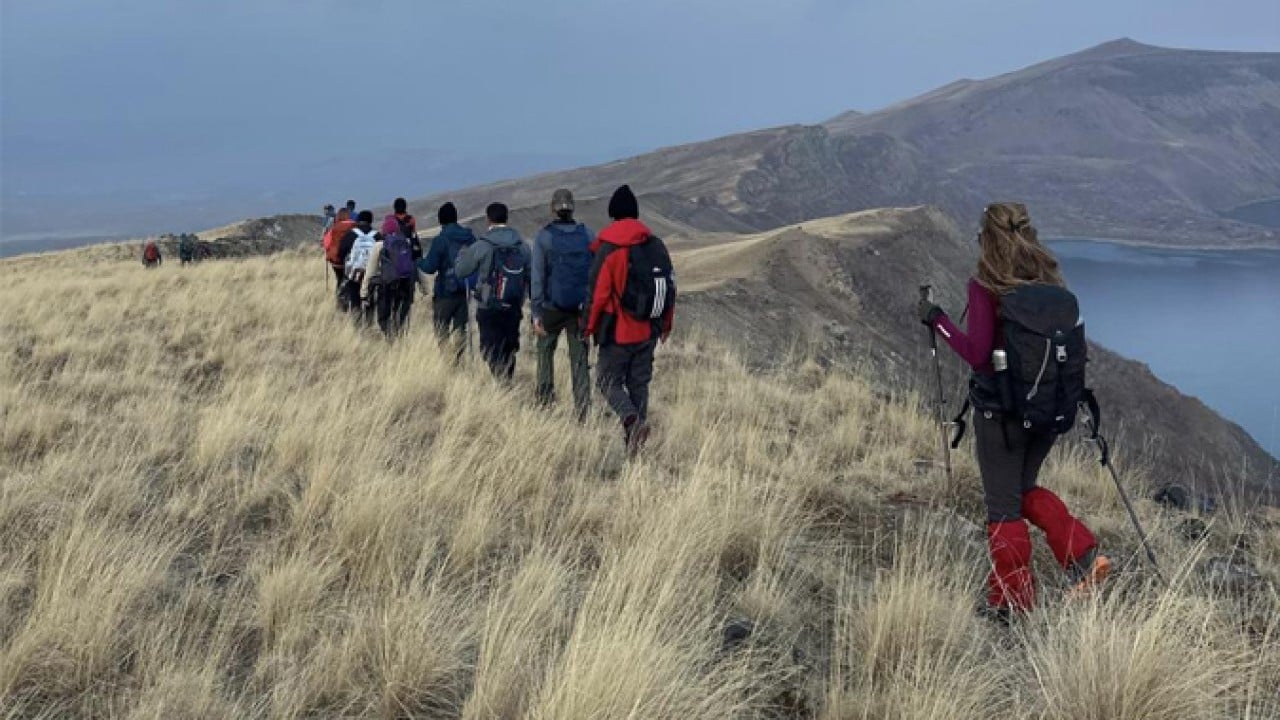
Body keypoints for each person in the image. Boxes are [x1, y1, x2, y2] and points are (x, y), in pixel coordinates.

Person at [918, 202, 1111, 621]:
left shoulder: (988, 286)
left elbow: (977, 353)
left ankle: (1011, 604)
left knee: (1003, 507)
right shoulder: (1053, 284)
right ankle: (1083, 554)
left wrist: (938, 321)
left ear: (987, 239)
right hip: (1048, 412)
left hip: (1001, 415)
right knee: (1022, 491)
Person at [585, 185, 675, 456]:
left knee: (606, 381)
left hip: (618, 333)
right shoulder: (655, 244)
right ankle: (635, 449)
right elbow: (669, 287)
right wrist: (666, 324)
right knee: (639, 385)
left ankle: (631, 421)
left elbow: (598, 295)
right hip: (648, 330)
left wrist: (588, 328)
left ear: (613, 215)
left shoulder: (609, 249)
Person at [531, 189, 595, 418]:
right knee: (579, 358)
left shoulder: (544, 237)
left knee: (545, 351)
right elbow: (594, 273)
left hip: (551, 307)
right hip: (579, 309)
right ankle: (583, 410)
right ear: (572, 207)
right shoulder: (588, 235)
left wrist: (536, 312)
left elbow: (537, 277)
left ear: (553, 208)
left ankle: (544, 403)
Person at [455, 202, 530, 380]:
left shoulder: (483, 245)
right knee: (509, 347)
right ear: (507, 218)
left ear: (488, 219)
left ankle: (499, 382)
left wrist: (462, 256)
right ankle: (506, 381)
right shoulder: (522, 245)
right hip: (513, 304)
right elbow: (531, 274)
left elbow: (461, 271)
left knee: (490, 347)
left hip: (488, 306)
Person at [418, 202, 477, 358]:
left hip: (445, 291)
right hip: (465, 289)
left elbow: (430, 267)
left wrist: (418, 261)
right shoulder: (470, 238)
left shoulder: (441, 240)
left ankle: (447, 359)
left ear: (440, 220)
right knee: (460, 328)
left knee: (441, 327)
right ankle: (458, 358)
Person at [361, 216, 417, 339]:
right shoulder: (406, 243)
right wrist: (421, 287)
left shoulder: (379, 246)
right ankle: (399, 335)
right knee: (399, 311)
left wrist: (364, 292)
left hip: (387, 285)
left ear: (383, 231)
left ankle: (389, 338)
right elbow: (413, 265)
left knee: (383, 316)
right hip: (404, 284)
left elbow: (370, 271)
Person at [337, 210, 379, 325]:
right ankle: (369, 324)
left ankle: (357, 325)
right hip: (372, 273)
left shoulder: (351, 234)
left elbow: (341, 252)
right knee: (370, 298)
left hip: (354, 273)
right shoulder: (376, 235)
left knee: (355, 298)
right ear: (371, 221)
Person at [325, 208, 357, 301]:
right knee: (350, 280)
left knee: (339, 279)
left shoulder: (334, 227)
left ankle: (339, 300)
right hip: (349, 259)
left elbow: (326, 243)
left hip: (335, 260)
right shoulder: (354, 226)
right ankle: (350, 300)